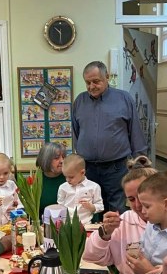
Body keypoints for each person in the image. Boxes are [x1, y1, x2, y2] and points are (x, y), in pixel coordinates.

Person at [72, 61, 147, 212]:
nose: (91, 86)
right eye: (88, 82)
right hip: (88, 168)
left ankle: (116, 236)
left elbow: (136, 134)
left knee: (116, 210)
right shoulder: (80, 101)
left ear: (106, 77)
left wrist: (139, 166)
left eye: (96, 81)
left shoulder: (124, 99)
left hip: (117, 168)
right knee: (89, 209)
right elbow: (76, 133)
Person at [82, 156, 157, 274]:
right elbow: (91, 257)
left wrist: (151, 272)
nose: (138, 205)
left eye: (142, 197)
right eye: (131, 199)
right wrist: (105, 233)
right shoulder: (125, 221)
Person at [57, 153, 104, 223]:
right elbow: (60, 207)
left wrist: (91, 207)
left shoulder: (94, 187)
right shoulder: (63, 187)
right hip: (66, 225)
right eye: (65, 176)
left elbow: (100, 206)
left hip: (86, 224)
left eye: (71, 177)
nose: (67, 180)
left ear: (82, 172)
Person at [35, 142, 67, 213]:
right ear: (46, 160)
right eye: (56, 158)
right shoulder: (35, 181)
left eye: (64, 157)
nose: (62, 161)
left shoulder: (70, 178)